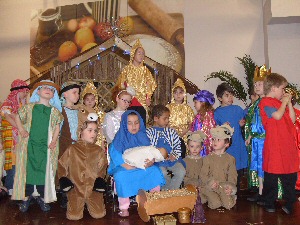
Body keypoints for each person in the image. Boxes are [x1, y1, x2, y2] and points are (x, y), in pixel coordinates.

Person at [12, 80, 63, 212]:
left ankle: (42, 197)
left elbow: (57, 127)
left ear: (53, 95)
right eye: (44, 88)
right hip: (30, 146)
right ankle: (26, 197)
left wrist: (53, 140)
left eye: (51, 90)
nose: (48, 90)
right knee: (28, 172)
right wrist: (22, 130)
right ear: (38, 92)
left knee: (43, 171)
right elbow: (17, 117)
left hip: (45, 148)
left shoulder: (54, 111)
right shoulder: (29, 107)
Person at [108, 110, 165, 217]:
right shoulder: (119, 137)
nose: (133, 126)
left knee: (155, 171)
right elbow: (114, 154)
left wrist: (151, 162)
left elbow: (150, 151)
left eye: (136, 122)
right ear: (124, 124)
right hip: (124, 166)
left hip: (141, 165)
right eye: (129, 123)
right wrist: (127, 166)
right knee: (121, 176)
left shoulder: (143, 136)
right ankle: (124, 207)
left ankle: (153, 200)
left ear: (140, 123)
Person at [259, 73, 299, 214]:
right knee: (272, 176)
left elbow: (293, 120)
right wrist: (283, 103)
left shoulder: (281, 103)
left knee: (289, 176)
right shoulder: (265, 102)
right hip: (275, 146)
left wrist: (288, 103)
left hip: (287, 145)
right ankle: (269, 202)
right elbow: (276, 116)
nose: (284, 92)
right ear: (274, 88)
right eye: (282, 89)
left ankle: (289, 203)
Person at [58, 113, 107, 220]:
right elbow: (62, 164)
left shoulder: (98, 151)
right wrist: (63, 179)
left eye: (95, 131)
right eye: (89, 130)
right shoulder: (72, 149)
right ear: (81, 132)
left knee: (99, 214)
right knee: (74, 216)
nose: (93, 133)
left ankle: (91, 201)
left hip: (93, 189)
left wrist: (100, 179)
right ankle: (71, 201)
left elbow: (102, 167)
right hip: (76, 189)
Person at [214, 82, 247, 193]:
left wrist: (242, 125)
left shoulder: (237, 109)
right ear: (220, 98)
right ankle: (225, 191)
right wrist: (222, 127)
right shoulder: (217, 113)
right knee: (227, 169)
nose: (230, 97)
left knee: (238, 169)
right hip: (227, 147)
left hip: (238, 143)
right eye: (227, 95)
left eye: (231, 95)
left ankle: (235, 191)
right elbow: (215, 130)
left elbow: (245, 122)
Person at [245, 65, 271, 202]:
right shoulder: (256, 103)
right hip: (255, 140)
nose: (257, 86)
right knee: (256, 165)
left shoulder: (269, 103)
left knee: (264, 166)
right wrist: (249, 135)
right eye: (255, 84)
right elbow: (251, 122)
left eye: (260, 84)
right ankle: (260, 191)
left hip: (265, 140)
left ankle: (266, 192)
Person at [116, 39, 157, 125]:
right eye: (139, 53)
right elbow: (121, 85)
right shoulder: (126, 70)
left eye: (143, 54)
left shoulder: (146, 71)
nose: (141, 55)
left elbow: (150, 85)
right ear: (133, 54)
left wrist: (148, 98)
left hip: (142, 102)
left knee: (141, 124)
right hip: (129, 101)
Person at [0, 79, 30, 196]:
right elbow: (8, 118)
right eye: (24, 91)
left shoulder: (22, 105)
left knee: (20, 163)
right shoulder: (7, 104)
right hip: (11, 139)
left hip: (20, 139)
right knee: (12, 164)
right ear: (17, 91)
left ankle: (18, 186)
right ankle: (10, 186)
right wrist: (20, 128)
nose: (25, 94)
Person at [146, 104, 186, 190]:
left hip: (172, 159)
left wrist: (174, 155)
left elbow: (177, 145)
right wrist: (156, 158)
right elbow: (148, 149)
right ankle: (165, 192)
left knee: (181, 171)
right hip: (157, 161)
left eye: (168, 118)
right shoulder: (148, 132)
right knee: (163, 173)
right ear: (156, 118)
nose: (167, 121)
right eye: (165, 118)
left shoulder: (171, 132)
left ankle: (171, 191)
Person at [200, 124, 238, 210]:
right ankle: (204, 194)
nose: (215, 142)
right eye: (213, 139)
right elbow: (203, 175)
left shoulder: (230, 159)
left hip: (223, 186)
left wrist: (230, 188)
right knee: (215, 204)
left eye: (218, 140)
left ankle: (230, 197)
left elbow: (233, 176)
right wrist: (210, 183)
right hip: (210, 186)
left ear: (226, 144)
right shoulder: (207, 158)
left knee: (228, 205)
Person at [166, 78, 194, 158]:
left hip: (185, 135)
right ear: (172, 94)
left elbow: (191, 124)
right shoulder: (168, 107)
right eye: (176, 92)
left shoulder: (188, 109)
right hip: (171, 135)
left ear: (184, 94)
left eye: (181, 92)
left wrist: (184, 132)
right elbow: (164, 121)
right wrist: (171, 132)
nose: (178, 95)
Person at [190, 90, 216, 156]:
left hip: (204, 147)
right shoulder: (199, 116)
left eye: (195, 102)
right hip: (197, 145)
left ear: (202, 103)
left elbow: (208, 133)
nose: (194, 105)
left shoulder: (208, 116)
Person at [81, 81, 106, 148]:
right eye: (87, 99)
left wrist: (102, 144)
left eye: (92, 99)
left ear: (96, 100)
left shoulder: (100, 114)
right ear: (83, 100)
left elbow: (102, 130)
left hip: (97, 142)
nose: (90, 101)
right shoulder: (81, 113)